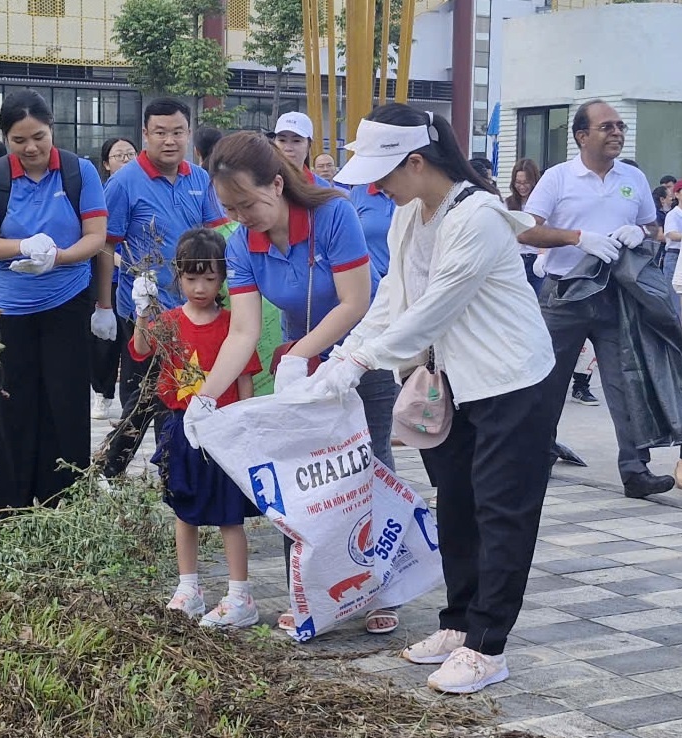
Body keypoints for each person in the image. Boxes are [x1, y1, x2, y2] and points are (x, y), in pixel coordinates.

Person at [288, 104, 555, 694]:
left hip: (511, 382)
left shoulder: (478, 216)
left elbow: (436, 308)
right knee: (456, 503)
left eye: (384, 173)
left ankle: (489, 646)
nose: (377, 186)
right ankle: (459, 624)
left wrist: (361, 361)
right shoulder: (409, 214)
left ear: (417, 161)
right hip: (449, 383)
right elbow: (392, 299)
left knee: (502, 512)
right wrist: (338, 358)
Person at [187, 131, 401, 636]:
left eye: (248, 203)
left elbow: (356, 301)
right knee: (303, 481)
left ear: (278, 184)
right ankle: (307, 594)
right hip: (299, 377)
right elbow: (243, 330)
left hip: (358, 362)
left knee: (365, 472)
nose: (241, 216)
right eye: (229, 207)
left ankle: (381, 590)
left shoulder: (333, 215)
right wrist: (206, 396)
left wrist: (304, 354)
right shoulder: (241, 243)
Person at [520, 99, 674, 499]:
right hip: (565, 293)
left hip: (616, 292)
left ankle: (636, 470)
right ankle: (536, 456)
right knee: (547, 381)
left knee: (625, 379)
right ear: (581, 136)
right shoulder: (558, 178)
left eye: (620, 126)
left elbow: (652, 226)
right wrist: (577, 238)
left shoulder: (632, 178)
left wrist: (639, 233)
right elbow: (526, 231)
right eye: (607, 127)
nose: (617, 132)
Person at [0, 89, 109, 513]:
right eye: (19, 140)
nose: (31, 148)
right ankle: (11, 508)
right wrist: (22, 247)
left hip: (66, 302)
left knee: (65, 403)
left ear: (53, 130)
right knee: (13, 404)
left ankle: (62, 505)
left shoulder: (79, 173)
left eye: (39, 137)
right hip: (9, 309)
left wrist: (58, 258)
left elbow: (96, 237)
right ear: (4, 139)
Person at [131, 228, 263, 627]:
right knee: (183, 508)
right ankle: (189, 587)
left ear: (224, 278)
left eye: (209, 278)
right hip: (178, 427)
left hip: (221, 429)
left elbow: (244, 378)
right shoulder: (168, 322)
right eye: (191, 278)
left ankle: (240, 594)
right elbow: (139, 349)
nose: (200, 286)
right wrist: (142, 310)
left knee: (228, 514)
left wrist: (244, 425)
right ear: (178, 277)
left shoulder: (233, 325)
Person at [97, 97, 229, 479]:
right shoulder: (123, 183)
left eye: (177, 132)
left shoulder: (200, 179)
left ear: (188, 134)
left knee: (184, 389)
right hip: (146, 311)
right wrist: (103, 305)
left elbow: (217, 236)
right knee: (143, 397)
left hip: (194, 308)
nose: (169, 140)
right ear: (145, 135)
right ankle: (110, 470)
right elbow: (107, 245)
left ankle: (172, 467)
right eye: (160, 133)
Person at [90, 137, 138, 419]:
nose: (126, 159)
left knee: (131, 344)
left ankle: (130, 403)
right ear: (107, 164)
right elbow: (99, 239)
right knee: (104, 343)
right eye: (119, 155)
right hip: (111, 278)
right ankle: (102, 393)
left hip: (139, 282)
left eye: (131, 154)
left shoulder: (143, 187)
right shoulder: (103, 193)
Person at [505, 158, 544, 292]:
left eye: (526, 182)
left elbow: (549, 229)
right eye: (518, 182)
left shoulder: (543, 203)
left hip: (536, 259)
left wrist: (542, 255)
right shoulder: (508, 204)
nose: (522, 186)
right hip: (515, 260)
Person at [273, 112, 330, 186]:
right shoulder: (260, 183)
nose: (288, 148)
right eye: (282, 140)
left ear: (309, 145)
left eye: (296, 141)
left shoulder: (323, 188)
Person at [662, 181, 682, 317]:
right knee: (676, 301)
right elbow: (671, 234)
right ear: (677, 194)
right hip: (674, 257)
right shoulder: (673, 214)